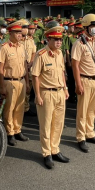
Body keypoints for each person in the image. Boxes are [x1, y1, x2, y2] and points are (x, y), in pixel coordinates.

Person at [31, 25, 70, 169]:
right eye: (56, 39)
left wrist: (65, 88)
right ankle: (46, 153)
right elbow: (35, 76)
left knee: (58, 124)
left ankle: (55, 149)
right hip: (46, 93)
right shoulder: (41, 54)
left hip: (60, 92)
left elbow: (62, 73)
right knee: (46, 125)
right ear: (48, 39)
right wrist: (37, 95)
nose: (59, 42)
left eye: (60, 39)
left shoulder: (60, 54)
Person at [71, 13, 95, 153]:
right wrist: (78, 84)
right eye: (93, 26)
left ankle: (90, 133)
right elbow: (75, 65)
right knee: (82, 111)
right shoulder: (79, 44)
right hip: (85, 80)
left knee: (93, 110)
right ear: (86, 26)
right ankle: (81, 137)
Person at [0, 20, 30, 146]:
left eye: (20, 33)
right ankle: (10, 132)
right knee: (9, 108)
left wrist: (27, 82)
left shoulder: (22, 47)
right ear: (10, 33)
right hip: (9, 82)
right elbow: (0, 69)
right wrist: (2, 87)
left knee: (19, 108)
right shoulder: (4, 48)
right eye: (17, 33)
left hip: (21, 80)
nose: (20, 35)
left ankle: (17, 130)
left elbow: (25, 67)